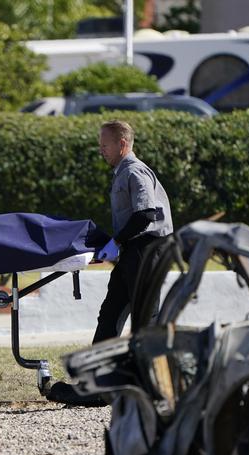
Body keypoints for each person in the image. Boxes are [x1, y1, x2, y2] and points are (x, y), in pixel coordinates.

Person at [92, 120, 174, 343]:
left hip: (146, 250)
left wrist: (116, 242)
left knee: (146, 318)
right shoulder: (122, 172)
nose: (101, 150)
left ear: (122, 144)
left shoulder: (135, 171)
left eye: (104, 145)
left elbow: (145, 214)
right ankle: (97, 374)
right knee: (110, 313)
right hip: (133, 250)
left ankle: (151, 374)